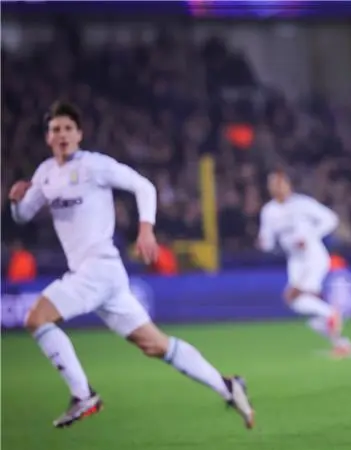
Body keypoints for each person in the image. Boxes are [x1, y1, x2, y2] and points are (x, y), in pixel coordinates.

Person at [8, 101, 255, 429]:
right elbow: (24, 215)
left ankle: (83, 395)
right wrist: (15, 201)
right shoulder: (45, 174)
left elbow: (144, 186)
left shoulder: (95, 166)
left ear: (80, 134)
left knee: (36, 318)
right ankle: (227, 386)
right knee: (155, 344)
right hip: (102, 275)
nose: (62, 134)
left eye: (68, 128)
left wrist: (146, 228)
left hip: (97, 268)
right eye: (56, 129)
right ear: (48, 137)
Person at [257, 170, 351, 358]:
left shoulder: (302, 204)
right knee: (295, 302)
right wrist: (264, 243)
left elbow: (331, 219)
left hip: (313, 256)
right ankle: (339, 339)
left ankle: (330, 314)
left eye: (280, 183)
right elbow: (268, 241)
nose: (277, 188)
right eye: (273, 184)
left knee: (295, 296)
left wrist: (310, 236)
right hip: (294, 260)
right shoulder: (268, 211)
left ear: (288, 185)